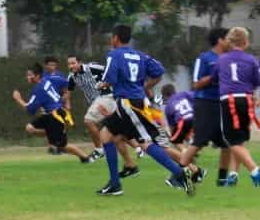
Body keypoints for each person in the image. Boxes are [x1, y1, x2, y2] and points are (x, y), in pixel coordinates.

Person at [97, 25, 194, 196]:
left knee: (145, 143)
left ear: (116, 38)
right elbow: (159, 72)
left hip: (128, 104)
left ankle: (180, 174)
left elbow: (109, 78)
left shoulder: (114, 54)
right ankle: (114, 184)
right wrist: (145, 87)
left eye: (111, 37)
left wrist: (103, 84)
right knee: (105, 135)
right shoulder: (140, 55)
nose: (111, 40)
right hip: (130, 103)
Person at [180, 28, 233, 186]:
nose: (230, 42)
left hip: (222, 103)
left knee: (227, 142)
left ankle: (222, 178)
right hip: (205, 103)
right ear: (219, 40)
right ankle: (178, 174)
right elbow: (196, 84)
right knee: (199, 141)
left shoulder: (229, 59)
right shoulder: (204, 58)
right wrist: (214, 75)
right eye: (227, 39)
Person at [67, 55, 139, 166]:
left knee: (88, 120)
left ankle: (99, 149)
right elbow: (68, 91)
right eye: (69, 64)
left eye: (73, 63)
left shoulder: (92, 67)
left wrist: (112, 85)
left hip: (107, 98)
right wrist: (67, 103)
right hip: (97, 104)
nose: (71, 66)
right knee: (115, 131)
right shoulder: (71, 77)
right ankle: (137, 151)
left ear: (80, 62)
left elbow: (111, 71)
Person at [12, 63, 93, 163]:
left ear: (37, 76)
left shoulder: (39, 89)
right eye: (27, 75)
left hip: (56, 116)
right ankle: (52, 136)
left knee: (62, 146)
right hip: (50, 114)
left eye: (29, 75)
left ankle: (85, 158)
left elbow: (29, 109)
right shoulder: (46, 80)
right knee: (30, 128)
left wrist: (18, 99)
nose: (27, 77)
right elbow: (62, 85)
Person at [211, 27, 260, 186]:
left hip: (229, 100)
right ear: (245, 43)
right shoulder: (251, 60)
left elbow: (214, 79)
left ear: (230, 42)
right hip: (246, 100)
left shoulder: (221, 59)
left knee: (231, 140)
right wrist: (254, 94)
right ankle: (233, 175)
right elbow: (256, 81)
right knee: (239, 140)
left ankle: (255, 170)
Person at [43, 56, 70, 154]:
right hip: (47, 105)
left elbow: (66, 91)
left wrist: (67, 103)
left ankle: (61, 146)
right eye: (50, 64)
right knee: (49, 125)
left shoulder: (60, 76)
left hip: (59, 105)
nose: (52, 67)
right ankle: (52, 146)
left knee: (62, 125)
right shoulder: (43, 77)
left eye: (54, 65)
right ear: (46, 65)